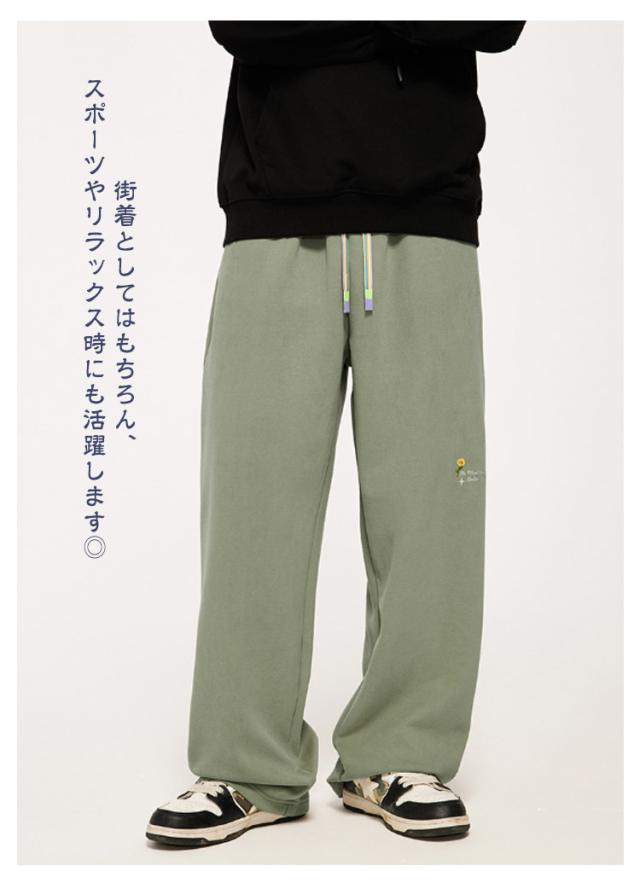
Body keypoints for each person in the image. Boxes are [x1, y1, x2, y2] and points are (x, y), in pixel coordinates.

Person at [146, 19, 525, 847]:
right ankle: (247, 767)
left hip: (427, 213)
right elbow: (244, 22)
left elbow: (495, 21)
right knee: (252, 503)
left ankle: (399, 753)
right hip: (273, 210)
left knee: (432, 507)